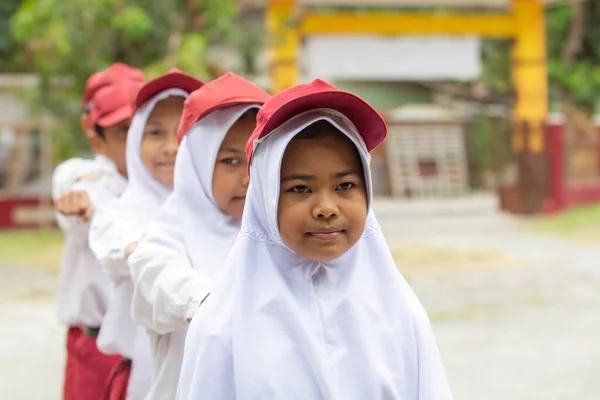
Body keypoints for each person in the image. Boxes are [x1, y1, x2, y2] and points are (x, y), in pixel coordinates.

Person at [177, 79, 454, 400]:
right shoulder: (223, 325)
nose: (326, 208)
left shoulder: (399, 311)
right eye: (300, 189)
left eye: (345, 186)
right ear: (265, 198)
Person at [127, 73, 271, 399]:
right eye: (230, 160)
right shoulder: (171, 233)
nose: (249, 178)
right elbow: (157, 276)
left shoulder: (284, 232)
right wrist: (206, 299)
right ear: (197, 165)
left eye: (257, 159)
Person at [87, 69, 203, 400]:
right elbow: (128, 253)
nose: (171, 148)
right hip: (146, 377)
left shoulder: (224, 211)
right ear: (136, 138)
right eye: (155, 133)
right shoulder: (118, 212)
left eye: (183, 132)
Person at [52, 64, 144, 400]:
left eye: (145, 128)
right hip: (98, 349)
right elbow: (73, 189)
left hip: (151, 348)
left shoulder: (172, 188)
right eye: (124, 130)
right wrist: (76, 198)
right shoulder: (87, 181)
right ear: (94, 134)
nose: (137, 141)